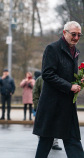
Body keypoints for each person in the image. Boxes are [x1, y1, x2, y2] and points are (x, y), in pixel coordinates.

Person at [33, 21, 84, 158]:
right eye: (73, 34)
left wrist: (79, 81)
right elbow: (47, 74)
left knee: (73, 140)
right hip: (52, 105)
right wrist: (69, 86)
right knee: (45, 141)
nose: (76, 38)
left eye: (79, 35)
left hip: (67, 105)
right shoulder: (52, 48)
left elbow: (67, 75)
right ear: (64, 33)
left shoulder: (75, 51)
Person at [32, 71, 62, 151]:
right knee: (42, 125)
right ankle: (42, 141)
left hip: (54, 106)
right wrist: (36, 105)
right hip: (42, 106)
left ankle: (55, 143)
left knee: (54, 124)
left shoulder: (56, 78)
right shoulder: (40, 79)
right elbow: (35, 92)